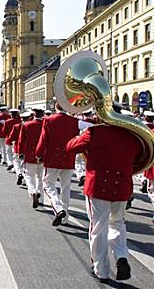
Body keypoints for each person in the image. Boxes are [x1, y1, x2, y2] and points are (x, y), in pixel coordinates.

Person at [66, 104, 142, 284]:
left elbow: (70, 147)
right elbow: (139, 158)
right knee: (118, 223)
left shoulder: (94, 133)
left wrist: (81, 136)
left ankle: (101, 269)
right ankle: (121, 256)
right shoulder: (132, 136)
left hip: (98, 186)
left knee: (98, 227)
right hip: (122, 186)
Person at [35, 103, 93, 227]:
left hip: (52, 158)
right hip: (68, 158)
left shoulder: (48, 120)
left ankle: (58, 208)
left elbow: (43, 138)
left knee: (48, 185)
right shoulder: (74, 121)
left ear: (56, 108)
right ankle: (65, 216)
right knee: (66, 187)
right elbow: (91, 127)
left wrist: (39, 154)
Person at [18, 108, 45, 209]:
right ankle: (41, 198)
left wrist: (20, 152)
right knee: (41, 178)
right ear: (42, 115)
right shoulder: (46, 124)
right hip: (43, 155)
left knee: (29, 176)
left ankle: (33, 191)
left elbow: (21, 141)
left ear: (33, 114)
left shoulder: (26, 125)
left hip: (30, 154)